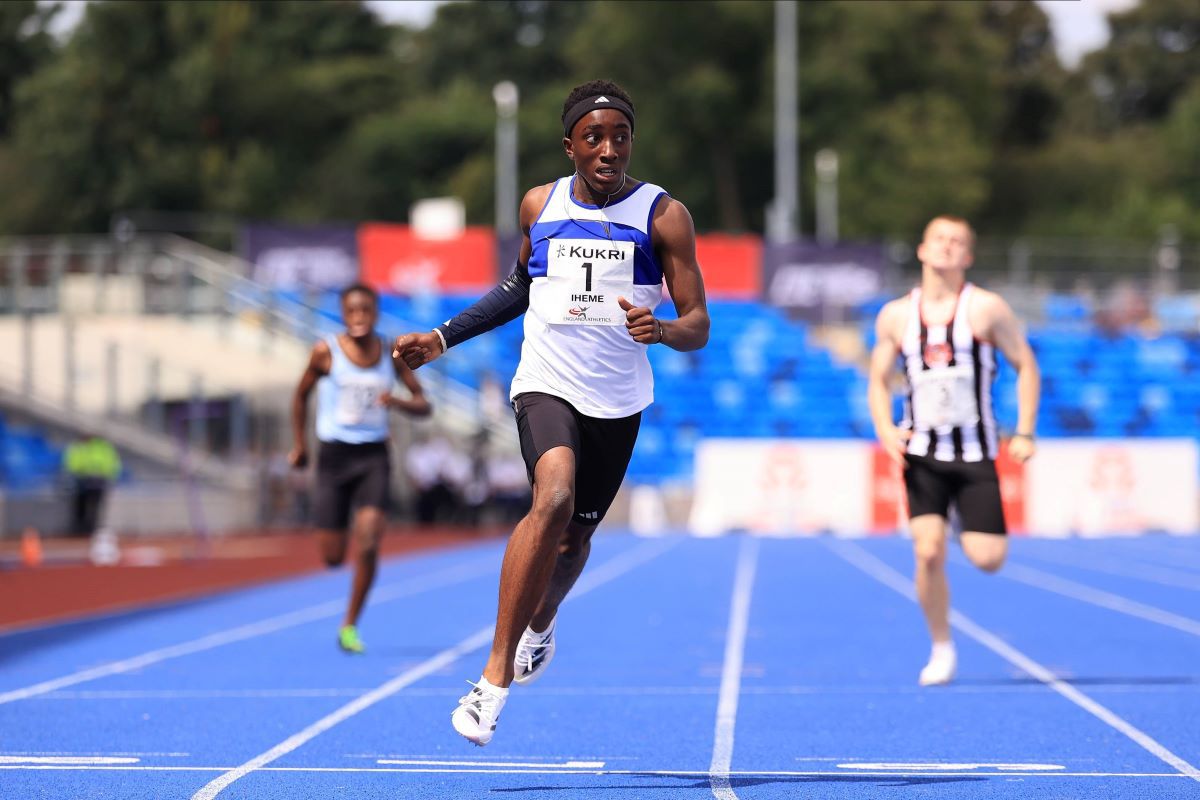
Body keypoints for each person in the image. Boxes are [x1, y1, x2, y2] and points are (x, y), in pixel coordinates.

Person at [394, 79, 710, 746]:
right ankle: (492, 680)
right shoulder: (541, 203)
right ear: (570, 145)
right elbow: (520, 285)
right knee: (553, 497)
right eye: (594, 138)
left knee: (573, 541)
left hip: (618, 398)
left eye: (620, 137)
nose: (608, 150)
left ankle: (543, 623)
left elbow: (698, 323)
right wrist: (442, 338)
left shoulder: (663, 215)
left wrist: (661, 330)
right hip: (546, 381)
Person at [867, 215, 1041, 686]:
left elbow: (1026, 365)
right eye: (939, 239)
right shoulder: (896, 315)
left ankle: (964, 520)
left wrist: (1025, 431)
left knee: (988, 558)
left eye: (957, 241)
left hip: (975, 454)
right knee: (927, 552)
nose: (947, 246)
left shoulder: (986, 309)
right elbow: (878, 378)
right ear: (922, 250)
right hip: (922, 453)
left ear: (968, 256)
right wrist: (884, 427)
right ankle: (941, 646)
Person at [290, 283, 431, 654]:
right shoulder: (326, 351)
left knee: (368, 541)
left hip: (373, 457)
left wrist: (397, 402)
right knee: (333, 557)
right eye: (351, 311)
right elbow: (300, 395)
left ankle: (349, 624)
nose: (359, 317)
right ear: (343, 313)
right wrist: (300, 445)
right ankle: (340, 542)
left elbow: (424, 404)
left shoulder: (390, 353)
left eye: (365, 310)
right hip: (333, 457)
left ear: (376, 313)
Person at [62, 432, 122, 537]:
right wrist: (77, 473)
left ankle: (92, 529)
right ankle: (80, 529)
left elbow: (112, 463)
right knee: (80, 505)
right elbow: (71, 463)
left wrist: (108, 476)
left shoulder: (103, 447)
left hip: (98, 481)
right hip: (82, 480)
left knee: (95, 506)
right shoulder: (78, 446)